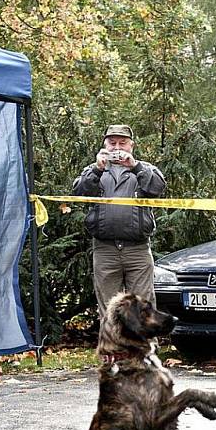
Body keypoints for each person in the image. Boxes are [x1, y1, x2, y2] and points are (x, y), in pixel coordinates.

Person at [73, 124, 166, 318]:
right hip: (104, 249)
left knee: (143, 307)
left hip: (138, 250)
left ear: (131, 146)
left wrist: (135, 166)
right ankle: (113, 348)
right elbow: (79, 192)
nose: (117, 148)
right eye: (112, 143)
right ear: (104, 145)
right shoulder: (94, 170)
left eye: (122, 143)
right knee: (108, 309)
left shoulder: (144, 168)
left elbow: (158, 188)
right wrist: (98, 169)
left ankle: (145, 348)